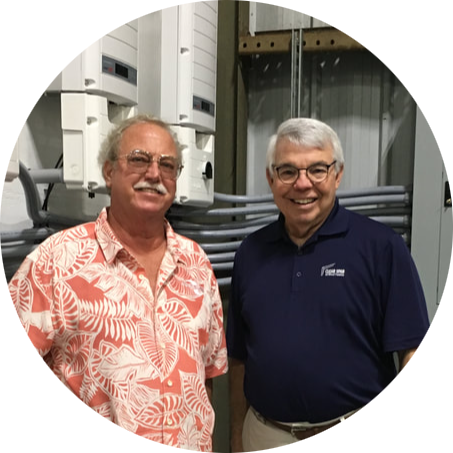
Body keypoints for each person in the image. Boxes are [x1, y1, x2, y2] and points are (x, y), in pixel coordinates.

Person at [8, 114, 228, 452]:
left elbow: (206, 377)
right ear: (109, 171)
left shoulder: (196, 262)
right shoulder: (56, 261)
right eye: (139, 159)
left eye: (167, 165)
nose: (154, 174)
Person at [226, 117, 430, 451]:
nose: (302, 184)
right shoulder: (250, 252)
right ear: (271, 179)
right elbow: (238, 358)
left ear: (337, 175)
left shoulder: (380, 247)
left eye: (317, 169)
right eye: (288, 171)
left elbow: (411, 348)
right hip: (264, 434)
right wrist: (236, 434)